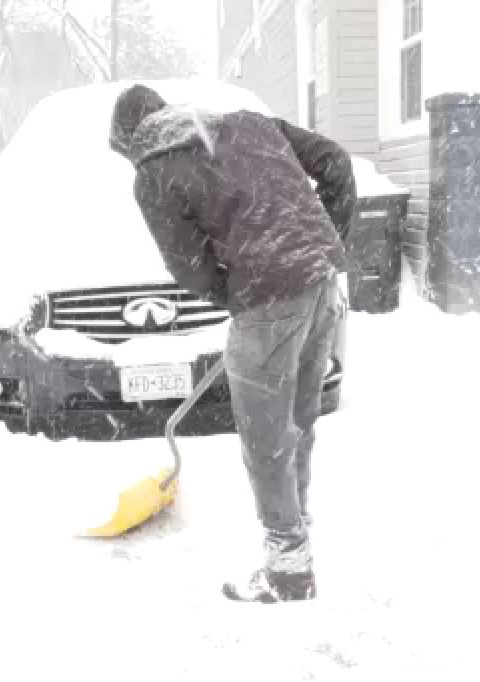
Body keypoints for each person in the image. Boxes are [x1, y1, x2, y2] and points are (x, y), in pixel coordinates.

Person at [108, 83, 356, 603]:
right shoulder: (249, 122)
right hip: (319, 284)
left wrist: (239, 296)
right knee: (296, 418)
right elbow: (334, 160)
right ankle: (297, 524)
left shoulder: (153, 171)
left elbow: (187, 264)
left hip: (269, 296)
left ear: (131, 140)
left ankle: (289, 570)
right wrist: (322, 240)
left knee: (265, 438)